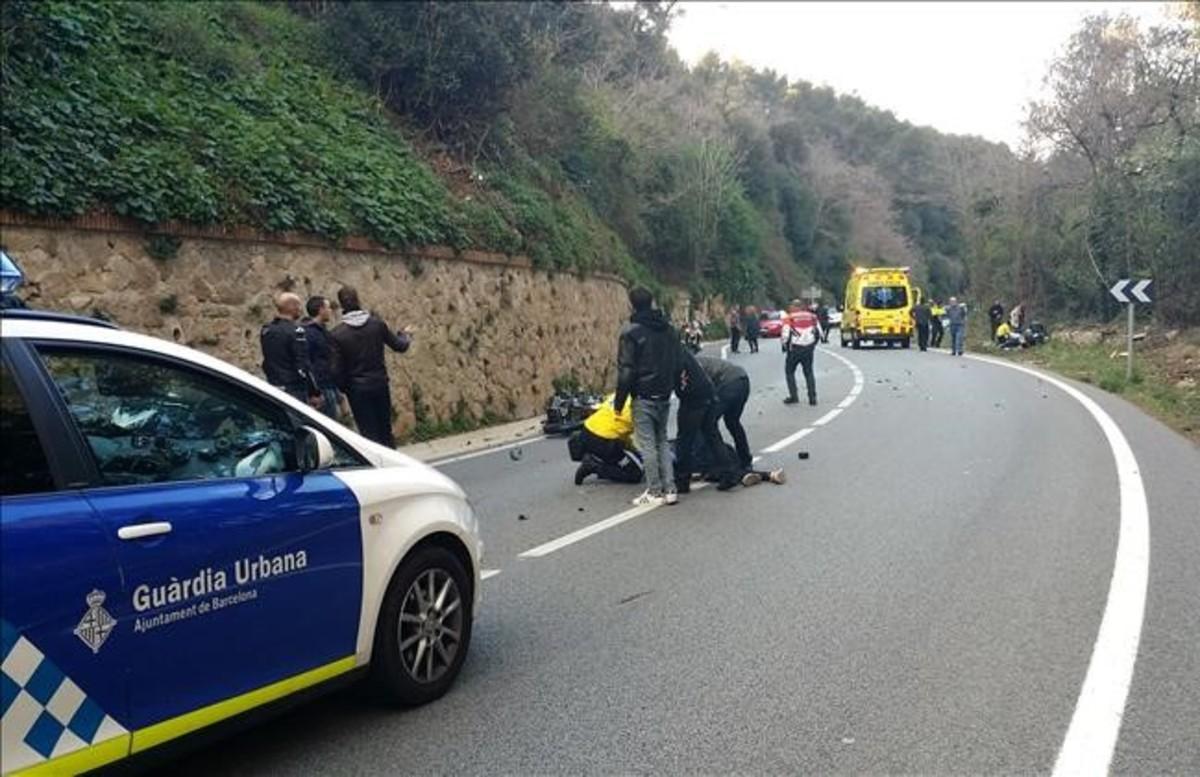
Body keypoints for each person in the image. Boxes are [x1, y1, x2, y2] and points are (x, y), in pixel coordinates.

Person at [616, 287, 680, 506]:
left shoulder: (631, 333)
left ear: (631, 304)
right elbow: (676, 360)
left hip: (643, 395)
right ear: (652, 302)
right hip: (664, 394)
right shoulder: (669, 330)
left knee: (648, 444)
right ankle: (670, 489)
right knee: (662, 440)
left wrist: (619, 402)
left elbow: (626, 370)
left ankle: (654, 490)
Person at [330, 286, 410, 448]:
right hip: (379, 383)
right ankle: (391, 462)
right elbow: (400, 346)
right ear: (358, 300)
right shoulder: (377, 325)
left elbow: (335, 370)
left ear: (341, 305)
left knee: (368, 433)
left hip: (357, 389)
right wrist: (405, 335)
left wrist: (346, 388)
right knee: (385, 429)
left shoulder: (337, 334)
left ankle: (375, 466)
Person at [696, 355, 784, 486]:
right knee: (732, 422)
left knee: (708, 425)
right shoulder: (699, 361)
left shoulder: (692, 366)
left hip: (728, 384)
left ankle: (727, 470)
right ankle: (746, 461)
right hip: (742, 380)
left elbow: (703, 391)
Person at [673, 348, 738, 492]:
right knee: (712, 435)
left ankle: (682, 481)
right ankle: (730, 473)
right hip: (709, 393)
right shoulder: (682, 351)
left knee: (684, 439)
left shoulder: (666, 353)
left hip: (693, 399)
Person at [570, 393, 644, 485]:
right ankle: (593, 466)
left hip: (588, 430)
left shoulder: (621, 394)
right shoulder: (641, 407)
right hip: (603, 440)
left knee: (632, 457)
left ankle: (602, 463)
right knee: (636, 474)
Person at [260, 292, 318, 403]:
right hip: (294, 387)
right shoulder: (296, 332)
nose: (300, 309)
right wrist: (314, 391)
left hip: (275, 384)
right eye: (298, 306)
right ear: (292, 307)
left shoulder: (266, 330)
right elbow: (303, 365)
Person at [302, 295, 340, 419]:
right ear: (321, 309)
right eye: (328, 308)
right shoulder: (310, 333)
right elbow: (307, 362)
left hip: (330, 384)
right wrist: (315, 390)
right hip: (322, 386)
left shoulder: (322, 331)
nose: (330, 311)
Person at [781, 300, 822, 406]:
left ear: (795, 307)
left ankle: (794, 396)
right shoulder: (812, 316)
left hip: (794, 349)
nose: (790, 308)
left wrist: (784, 345)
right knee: (809, 373)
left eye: (791, 306)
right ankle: (812, 398)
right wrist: (813, 344)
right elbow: (819, 331)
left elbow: (785, 334)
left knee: (789, 372)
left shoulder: (789, 318)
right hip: (808, 349)